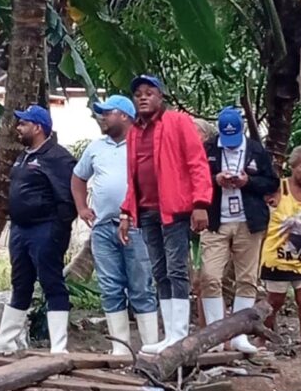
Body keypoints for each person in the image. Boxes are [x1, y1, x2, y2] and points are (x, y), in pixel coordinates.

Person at [118, 75, 213, 354]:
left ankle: (179, 334)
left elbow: (197, 162)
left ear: (161, 97)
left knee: (176, 268)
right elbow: (133, 175)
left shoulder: (178, 122)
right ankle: (170, 332)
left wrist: (200, 203)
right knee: (159, 270)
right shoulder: (134, 131)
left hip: (175, 208)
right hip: (146, 209)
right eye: (138, 94)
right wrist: (126, 211)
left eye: (149, 92)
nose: (143, 97)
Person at [0, 105, 77, 355]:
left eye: (23, 124)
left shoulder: (57, 157)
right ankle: (7, 338)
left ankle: (59, 345)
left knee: (51, 282)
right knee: (20, 283)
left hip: (45, 229)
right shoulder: (23, 156)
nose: (18, 128)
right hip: (20, 230)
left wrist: (58, 228)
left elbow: (67, 198)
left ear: (38, 127)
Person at [71, 95, 158, 355]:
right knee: (110, 288)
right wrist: (82, 208)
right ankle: (120, 349)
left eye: (107, 113)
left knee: (141, 286)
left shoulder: (143, 144)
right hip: (103, 227)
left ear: (124, 115)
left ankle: (151, 348)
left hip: (137, 225)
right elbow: (77, 178)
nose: (102, 117)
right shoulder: (96, 147)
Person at [200, 107, 279, 354]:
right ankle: (214, 335)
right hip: (216, 221)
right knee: (210, 277)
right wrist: (216, 179)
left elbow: (272, 182)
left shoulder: (256, 150)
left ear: (242, 129)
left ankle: (240, 336)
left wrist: (248, 182)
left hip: (249, 221)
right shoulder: (210, 149)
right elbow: (197, 177)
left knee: (247, 279)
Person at [260, 145, 301, 352]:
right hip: (277, 258)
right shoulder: (279, 189)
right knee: (274, 301)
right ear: (292, 166)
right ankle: (262, 340)